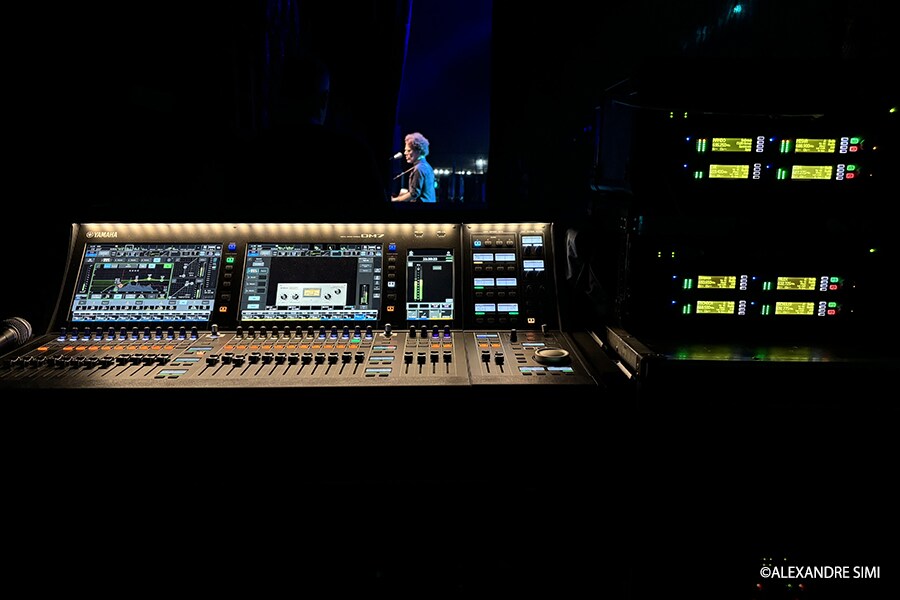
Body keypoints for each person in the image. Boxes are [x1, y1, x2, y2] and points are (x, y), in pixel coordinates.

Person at [391, 132, 436, 203]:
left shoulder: (419, 168)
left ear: (419, 151)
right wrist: (406, 193)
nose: (405, 153)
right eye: (405, 150)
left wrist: (395, 199)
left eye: (409, 150)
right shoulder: (427, 166)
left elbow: (414, 194)